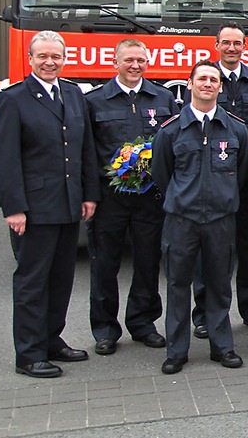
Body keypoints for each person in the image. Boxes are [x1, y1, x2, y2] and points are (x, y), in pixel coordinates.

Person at [0, 31, 98, 378]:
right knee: (32, 282)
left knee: (61, 278)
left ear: (64, 58)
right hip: (34, 208)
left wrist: (88, 194)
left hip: (69, 205)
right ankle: (29, 353)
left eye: (56, 56)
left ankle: (52, 340)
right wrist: (13, 208)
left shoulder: (72, 93)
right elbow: (5, 159)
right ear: (31, 58)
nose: (50, 62)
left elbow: (85, 150)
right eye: (43, 56)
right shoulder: (14, 98)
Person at [152, 60, 248, 374]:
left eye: (214, 80)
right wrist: (187, 200)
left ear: (220, 87)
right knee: (178, 285)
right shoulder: (170, 130)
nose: (208, 84)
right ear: (190, 84)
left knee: (220, 285)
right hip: (182, 220)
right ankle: (177, 351)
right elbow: (162, 174)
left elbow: (241, 173)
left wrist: (221, 200)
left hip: (221, 220)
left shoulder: (234, 128)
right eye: (202, 79)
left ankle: (222, 347)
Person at [85, 38, 176, 356]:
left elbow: (172, 147)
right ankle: (105, 329)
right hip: (109, 198)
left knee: (149, 261)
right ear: (115, 62)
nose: (135, 65)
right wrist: (90, 195)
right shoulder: (95, 101)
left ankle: (143, 323)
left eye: (140, 60)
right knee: (104, 264)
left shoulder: (163, 98)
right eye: (129, 60)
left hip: (150, 197)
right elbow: (86, 152)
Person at [204, 23, 248, 336]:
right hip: (214, 181)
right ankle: (204, 314)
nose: (232, 48)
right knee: (211, 249)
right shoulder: (206, 77)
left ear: (245, 47)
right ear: (216, 45)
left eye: (238, 43)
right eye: (226, 43)